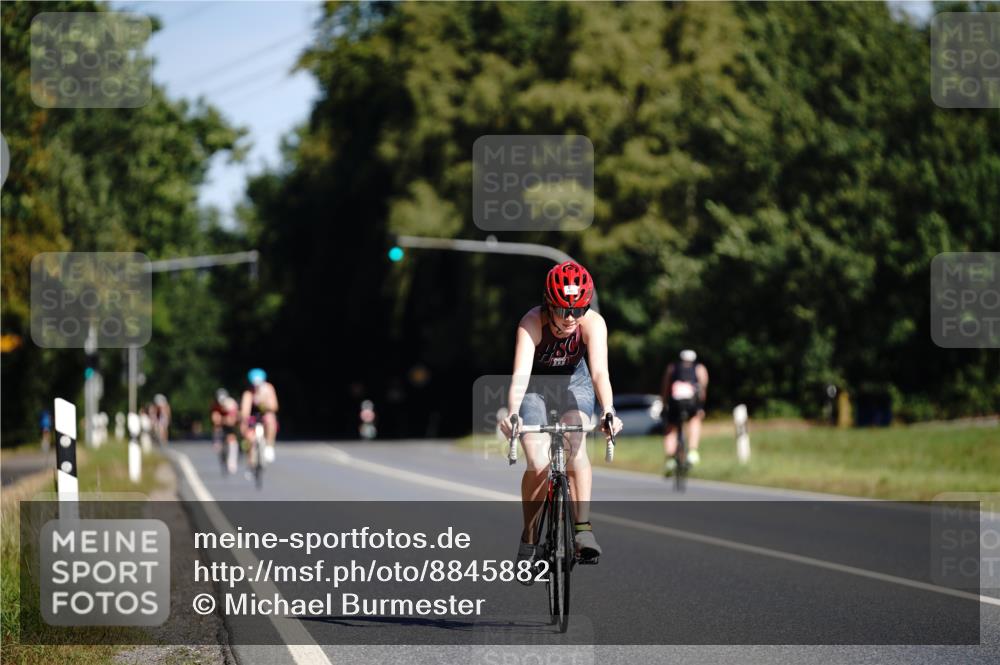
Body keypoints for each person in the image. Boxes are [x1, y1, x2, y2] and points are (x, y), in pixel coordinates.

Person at [499, 261, 623, 578]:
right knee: (538, 463)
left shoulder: (593, 324)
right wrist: (513, 414)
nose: (570, 318)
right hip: (535, 389)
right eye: (563, 309)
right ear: (548, 303)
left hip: (575, 384)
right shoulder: (531, 323)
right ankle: (529, 535)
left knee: (576, 447)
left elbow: (599, 373)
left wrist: (608, 410)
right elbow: (520, 376)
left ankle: (582, 529)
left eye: (578, 310)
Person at [661, 349, 709, 475]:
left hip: (675, 404)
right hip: (691, 404)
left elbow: (666, 388)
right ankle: (693, 451)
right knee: (695, 420)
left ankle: (670, 460)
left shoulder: (672, 367)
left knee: (670, 429)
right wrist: (700, 408)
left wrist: (664, 404)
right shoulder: (700, 368)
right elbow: (702, 389)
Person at [240, 368, 279, 468]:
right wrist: (244, 423)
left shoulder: (268, 388)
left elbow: (274, 406)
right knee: (249, 437)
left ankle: (269, 446)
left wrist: (263, 403)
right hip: (253, 417)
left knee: (270, 419)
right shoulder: (248, 393)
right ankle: (251, 461)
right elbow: (245, 411)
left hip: (265, 415)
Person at [211, 388, 240, 474]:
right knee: (217, 428)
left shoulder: (231, 404)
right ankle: (217, 440)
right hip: (221, 424)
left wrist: (225, 420)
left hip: (230, 424)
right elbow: (214, 418)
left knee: (232, 439)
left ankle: (232, 461)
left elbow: (233, 419)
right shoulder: (215, 405)